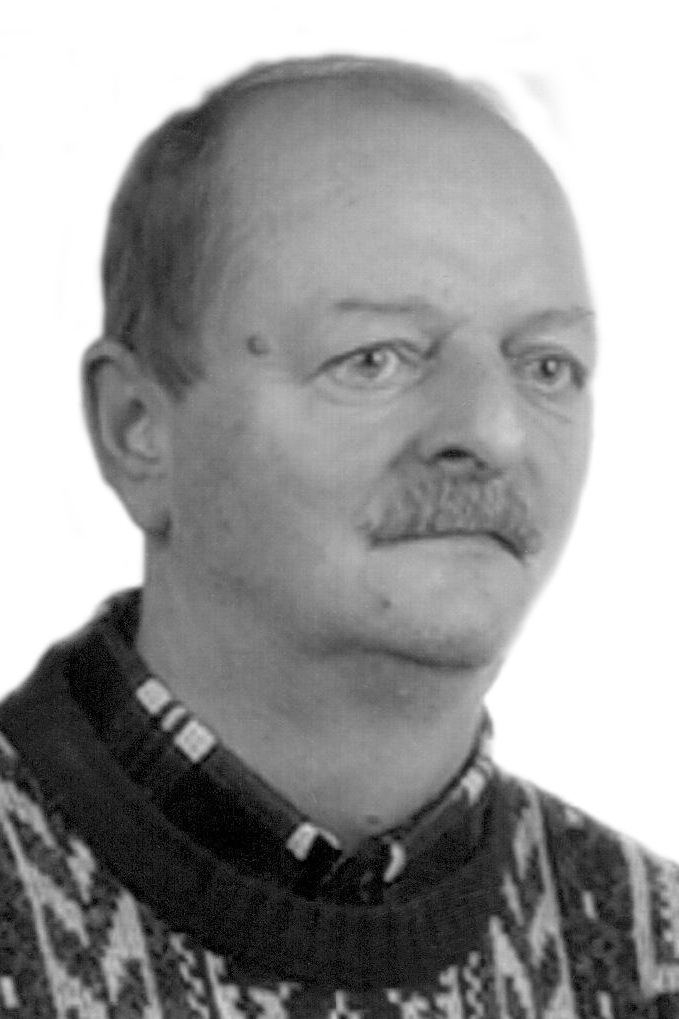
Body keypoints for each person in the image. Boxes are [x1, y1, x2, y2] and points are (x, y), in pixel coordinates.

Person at [0, 54, 677, 1019]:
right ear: (137, 428)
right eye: (374, 358)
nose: (494, 431)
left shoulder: (654, 958)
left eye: (547, 365)